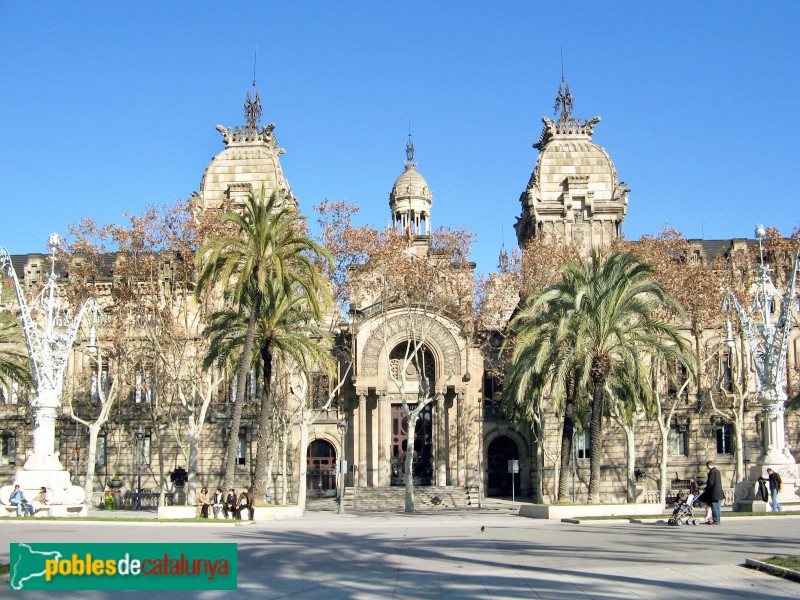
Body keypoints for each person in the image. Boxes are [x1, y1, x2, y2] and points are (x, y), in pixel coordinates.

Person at [698, 460, 724, 524]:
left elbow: (711, 483)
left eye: (707, 466)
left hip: (714, 493)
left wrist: (706, 488)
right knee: (718, 507)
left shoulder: (712, 472)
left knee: (714, 507)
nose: (707, 468)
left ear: (709, 465)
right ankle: (718, 519)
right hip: (719, 492)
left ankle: (716, 520)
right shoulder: (717, 471)